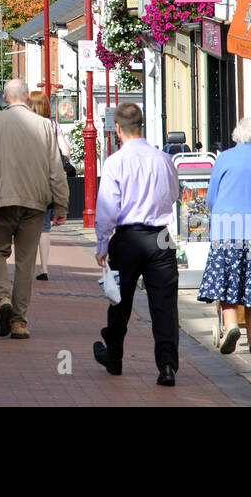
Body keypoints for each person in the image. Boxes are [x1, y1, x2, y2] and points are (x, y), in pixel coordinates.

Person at [0, 79, 68, 340]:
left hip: (2, 200)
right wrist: (61, 205)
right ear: (26, 97)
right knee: (26, 262)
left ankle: (2, 297)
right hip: (36, 202)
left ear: (5, 98)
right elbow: (56, 170)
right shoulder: (45, 125)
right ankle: (19, 323)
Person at [92, 101, 180, 386]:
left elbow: (107, 207)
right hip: (161, 236)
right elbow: (174, 194)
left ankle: (114, 356)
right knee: (164, 304)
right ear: (141, 125)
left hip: (127, 238)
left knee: (119, 300)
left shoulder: (115, 162)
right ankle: (167, 365)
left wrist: (103, 244)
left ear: (117, 129)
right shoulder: (163, 159)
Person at [197, 117, 251, 354]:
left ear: (237, 134)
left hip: (227, 229)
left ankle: (231, 325)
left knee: (227, 279)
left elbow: (212, 198)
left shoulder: (224, 158)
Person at [27, 90, 69, 282]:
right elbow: (65, 151)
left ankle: (26, 267)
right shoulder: (53, 125)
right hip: (47, 183)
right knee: (44, 227)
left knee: (26, 226)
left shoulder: (24, 125)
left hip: (27, 181)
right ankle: (44, 269)